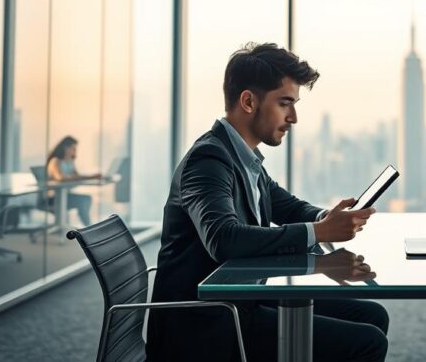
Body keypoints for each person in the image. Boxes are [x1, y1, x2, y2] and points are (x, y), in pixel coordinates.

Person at [147, 43, 388, 362]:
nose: (294, 117)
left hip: (244, 298)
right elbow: (223, 238)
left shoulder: (244, 158)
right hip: (207, 321)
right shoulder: (208, 159)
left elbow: (286, 206)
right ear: (248, 101)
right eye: (285, 103)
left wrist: (327, 217)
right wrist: (319, 231)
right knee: (366, 341)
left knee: (372, 315)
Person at [45, 136, 101, 226]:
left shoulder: (70, 161)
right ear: (65, 148)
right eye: (73, 148)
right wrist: (88, 177)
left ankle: (88, 225)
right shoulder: (55, 161)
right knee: (84, 200)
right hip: (53, 198)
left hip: (65, 195)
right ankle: (88, 226)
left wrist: (92, 177)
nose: (74, 151)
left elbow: (76, 176)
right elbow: (60, 178)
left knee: (86, 199)